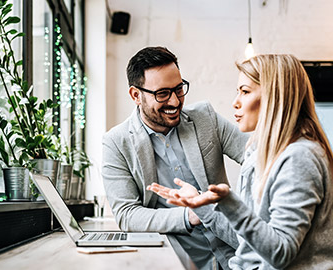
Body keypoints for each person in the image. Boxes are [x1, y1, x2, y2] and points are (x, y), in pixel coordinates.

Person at [147, 54, 333, 269]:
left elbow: (281, 252)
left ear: (275, 97)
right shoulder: (258, 153)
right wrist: (201, 204)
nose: (235, 102)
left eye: (245, 92)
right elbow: (248, 243)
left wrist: (230, 203)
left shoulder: (299, 158)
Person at [102, 46, 249, 270]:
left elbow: (258, 157)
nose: (174, 101)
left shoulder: (205, 119)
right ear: (135, 95)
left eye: (179, 89)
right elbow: (127, 215)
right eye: (162, 93)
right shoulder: (116, 142)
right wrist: (190, 215)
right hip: (175, 260)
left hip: (232, 256)